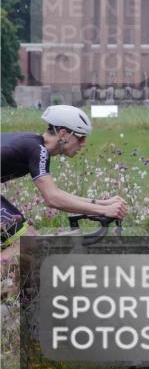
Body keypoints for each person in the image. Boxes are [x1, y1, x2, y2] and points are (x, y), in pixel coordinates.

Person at [1, 105, 128, 266]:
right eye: (81, 137)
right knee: (28, 242)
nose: (83, 144)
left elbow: (54, 192)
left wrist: (101, 203)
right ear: (63, 134)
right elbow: (52, 198)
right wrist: (104, 210)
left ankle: (10, 288)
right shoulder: (37, 149)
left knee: (27, 242)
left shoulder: (34, 146)